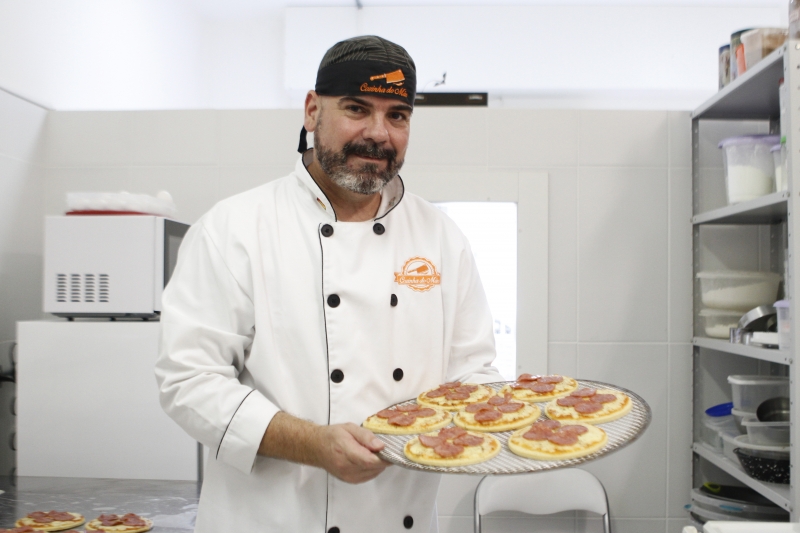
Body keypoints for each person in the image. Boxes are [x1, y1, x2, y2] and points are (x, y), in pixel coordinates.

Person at [155, 35, 501, 533]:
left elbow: (472, 375)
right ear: (312, 111)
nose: (379, 134)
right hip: (270, 521)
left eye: (397, 115)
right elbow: (188, 382)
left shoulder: (442, 238)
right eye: (357, 109)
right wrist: (313, 444)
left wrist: (518, 416)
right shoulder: (234, 228)